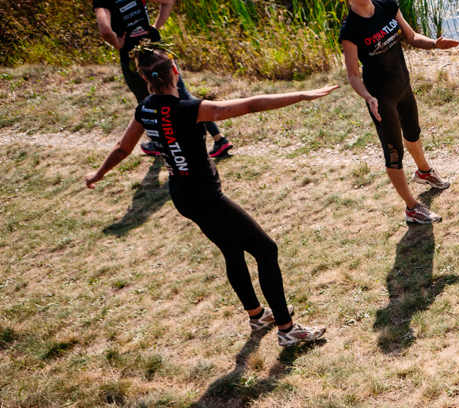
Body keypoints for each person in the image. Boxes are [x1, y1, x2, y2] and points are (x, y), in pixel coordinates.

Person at [85, 47, 331, 347]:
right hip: (206, 199)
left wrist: (98, 173)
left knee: (232, 250)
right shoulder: (189, 108)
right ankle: (287, 329)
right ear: (175, 72)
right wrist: (301, 95)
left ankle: (257, 315)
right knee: (266, 250)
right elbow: (250, 105)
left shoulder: (145, 109)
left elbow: (123, 148)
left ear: (145, 78)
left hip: (183, 197)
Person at [335, 0, 458, 225]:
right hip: (381, 99)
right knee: (394, 153)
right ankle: (412, 208)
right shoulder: (350, 30)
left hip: (403, 86)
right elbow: (353, 75)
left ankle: (424, 172)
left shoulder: (387, 5)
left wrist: (435, 43)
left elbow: (412, 37)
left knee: (413, 133)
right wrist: (368, 97)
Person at [82, 0, 233, 160]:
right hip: (157, 48)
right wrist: (155, 27)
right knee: (181, 93)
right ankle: (219, 139)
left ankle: (159, 144)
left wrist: (118, 43)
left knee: (146, 102)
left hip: (134, 56)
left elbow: (105, 30)